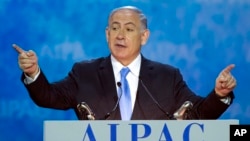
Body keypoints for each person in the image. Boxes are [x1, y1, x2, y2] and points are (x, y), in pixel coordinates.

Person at [13, 6, 236, 120]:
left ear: (144, 36)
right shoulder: (84, 73)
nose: (120, 35)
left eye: (129, 29)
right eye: (115, 28)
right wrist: (33, 72)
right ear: (106, 34)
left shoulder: (168, 76)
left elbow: (197, 114)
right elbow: (48, 97)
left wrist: (220, 94)